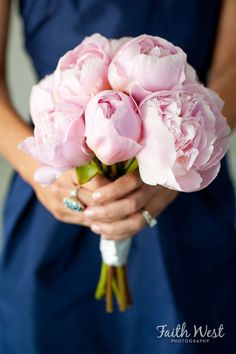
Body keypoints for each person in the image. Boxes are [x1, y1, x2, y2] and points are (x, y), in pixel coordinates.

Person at [0, 0, 235, 353]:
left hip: (186, 195)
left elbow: (231, 66)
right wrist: (42, 172)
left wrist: (175, 170)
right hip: (54, 197)